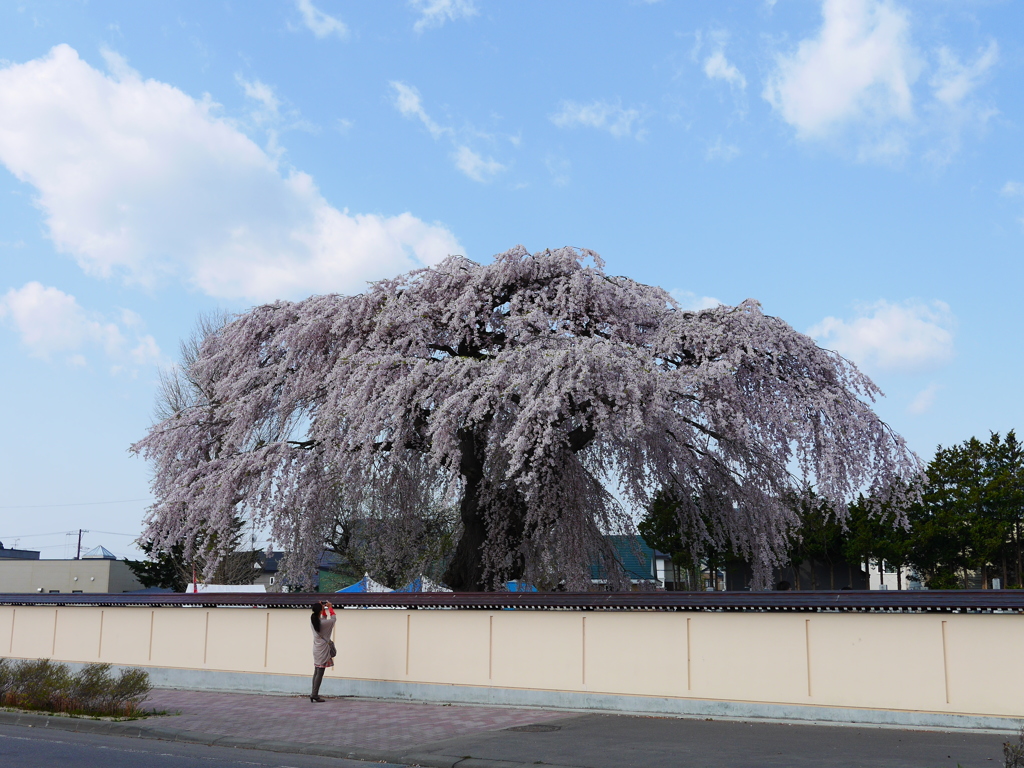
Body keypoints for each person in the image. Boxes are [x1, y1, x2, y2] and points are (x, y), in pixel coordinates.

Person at [309, 600, 336, 703]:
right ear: (320, 610)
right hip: (323, 649)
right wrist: (329, 608)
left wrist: (323, 609)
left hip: (316, 648)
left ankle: (313, 693)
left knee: (316, 671)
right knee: (320, 673)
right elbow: (333, 619)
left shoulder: (313, 621)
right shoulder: (324, 623)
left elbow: (323, 619)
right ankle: (314, 694)